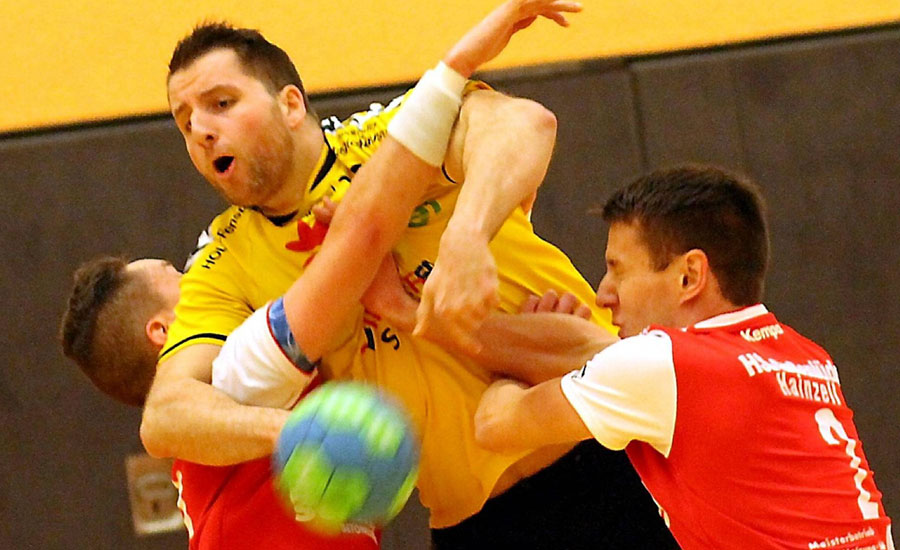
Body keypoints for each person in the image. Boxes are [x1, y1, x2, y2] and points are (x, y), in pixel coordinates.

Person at [140, 0, 677, 547]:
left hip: (603, 454)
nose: (202, 130)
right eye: (185, 123)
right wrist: (296, 432)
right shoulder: (222, 260)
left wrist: (468, 232)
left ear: (291, 103)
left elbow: (525, 125)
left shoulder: (385, 138)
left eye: (221, 103)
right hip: (473, 522)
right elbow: (166, 417)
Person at [474, 165, 895, 549]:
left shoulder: (662, 366)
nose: (604, 294)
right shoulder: (805, 356)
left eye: (618, 269)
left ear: (689, 275)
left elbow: (495, 425)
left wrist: (510, 358)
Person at [60, 256, 380, 549]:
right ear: (164, 330)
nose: (204, 278)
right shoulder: (239, 377)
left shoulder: (211, 427)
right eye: (181, 275)